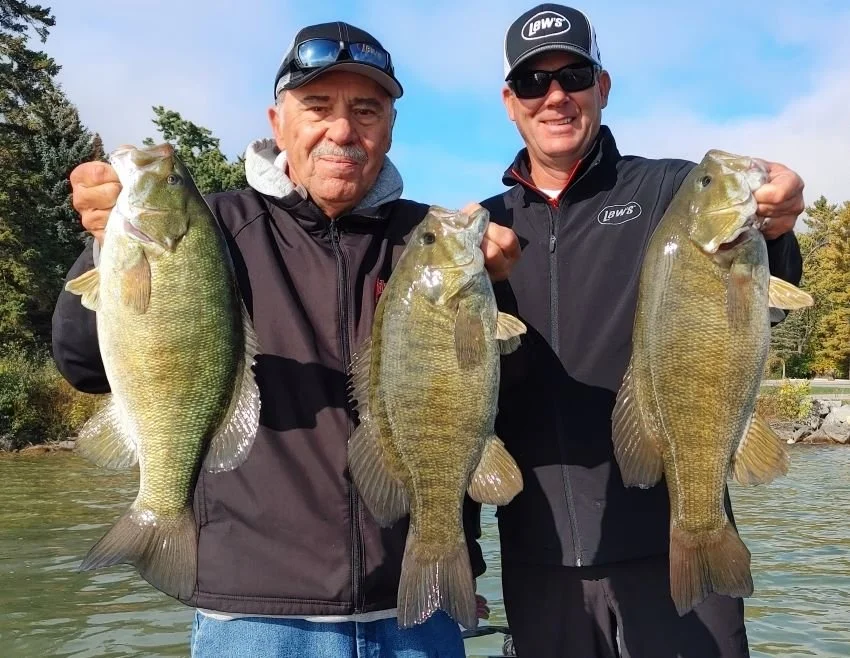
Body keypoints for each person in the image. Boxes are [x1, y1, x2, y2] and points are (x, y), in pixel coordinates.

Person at [52, 21, 517, 658]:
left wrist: (495, 287)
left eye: (366, 110)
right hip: (253, 618)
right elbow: (82, 362)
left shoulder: (424, 244)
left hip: (415, 609)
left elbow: (483, 398)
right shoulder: (212, 228)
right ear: (278, 121)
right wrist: (106, 243)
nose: (342, 131)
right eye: (317, 107)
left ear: (389, 126)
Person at [481, 4, 806, 657]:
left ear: (602, 86)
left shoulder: (670, 191)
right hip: (539, 563)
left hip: (669, 544)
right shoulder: (483, 228)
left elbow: (757, 298)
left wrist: (779, 218)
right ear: (509, 102)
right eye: (533, 83)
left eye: (573, 75)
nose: (555, 97)